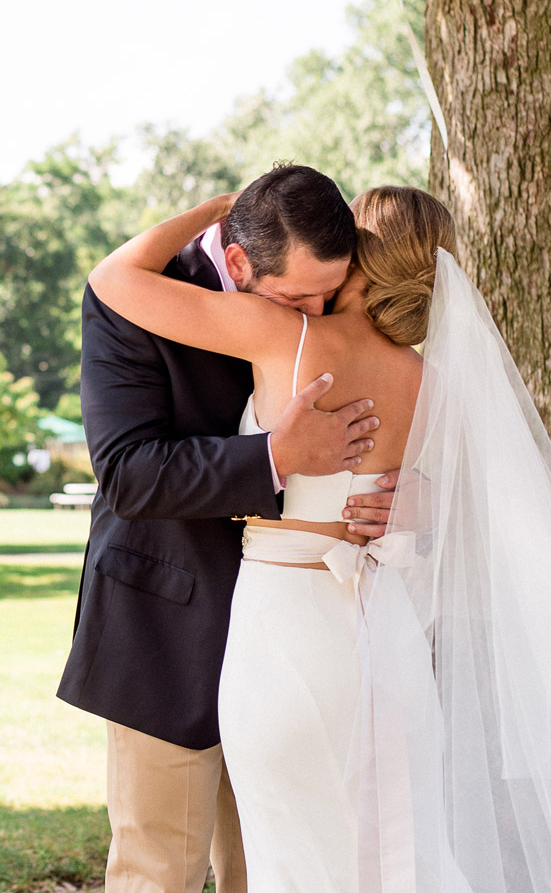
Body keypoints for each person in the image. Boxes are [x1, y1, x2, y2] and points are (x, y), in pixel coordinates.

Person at [88, 182, 551, 893]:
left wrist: (211, 206)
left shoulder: (289, 335)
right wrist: (426, 501)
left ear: (353, 255)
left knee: (290, 855)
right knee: (384, 854)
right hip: (373, 638)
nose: (308, 297)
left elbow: (112, 278)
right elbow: (477, 506)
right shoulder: (433, 383)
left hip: (284, 633)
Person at [57, 165, 398, 893]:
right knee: (159, 874)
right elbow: (127, 473)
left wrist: (397, 493)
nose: (316, 310)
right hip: (165, 626)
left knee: (275, 867)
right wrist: (275, 457)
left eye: (328, 292)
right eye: (298, 296)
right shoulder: (140, 299)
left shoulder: (326, 310)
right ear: (239, 260)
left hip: (291, 641)